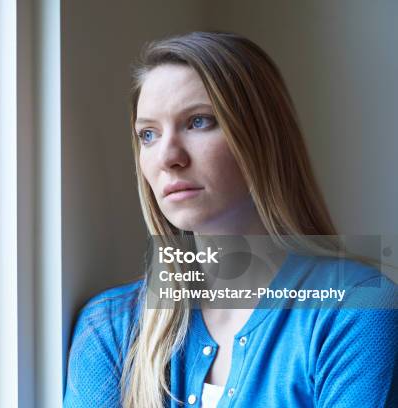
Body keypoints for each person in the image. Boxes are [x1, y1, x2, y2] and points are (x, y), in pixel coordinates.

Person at [62, 31, 397, 408]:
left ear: (261, 138)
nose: (168, 157)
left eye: (199, 122)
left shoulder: (353, 309)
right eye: (149, 134)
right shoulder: (111, 327)